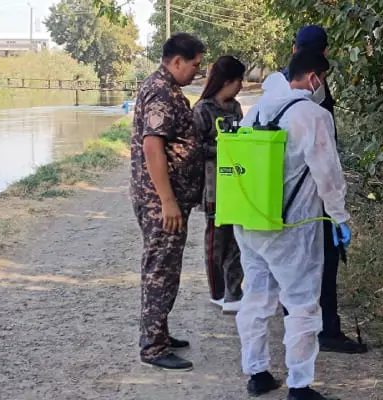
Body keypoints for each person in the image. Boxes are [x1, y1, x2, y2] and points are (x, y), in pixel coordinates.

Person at [235, 50, 352, 400]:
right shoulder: (312, 114)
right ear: (314, 77)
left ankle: (256, 373)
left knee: (256, 298)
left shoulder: (258, 106)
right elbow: (327, 174)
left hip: (249, 220)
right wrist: (340, 217)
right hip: (291, 228)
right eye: (323, 80)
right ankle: (300, 386)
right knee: (301, 303)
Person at [281, 25, 368, 355]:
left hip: (288, 196)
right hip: (309, 195)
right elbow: (324, 160)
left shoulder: (279, 89)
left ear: (294, 49)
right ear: (323, 59)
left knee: (299, 269)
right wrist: (338, 214)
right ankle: (323, 333)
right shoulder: (312, 101)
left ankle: (312, 329)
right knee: (320, 265)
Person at [129, 32, 206, 371]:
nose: (197, 72)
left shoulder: (168, 88)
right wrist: (167, 200)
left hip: (168, 198)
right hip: (161, 201)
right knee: (160, 270)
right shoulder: (161, 90)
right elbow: (152, 146)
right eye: (194, 65)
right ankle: (153, 347)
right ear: (176, 61)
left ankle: (160, 331)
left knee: (167, 269)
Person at [192, 56, 246, 315]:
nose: (241, 87)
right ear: (227, 81)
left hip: (237, 186)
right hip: (214, 188)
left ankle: (235, 292)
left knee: (237, 243)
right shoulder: (203, 110)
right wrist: (222, 148)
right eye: (239, 81)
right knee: (216, 243)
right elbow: (194, 149)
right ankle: (218, 292)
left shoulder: (235, 108)